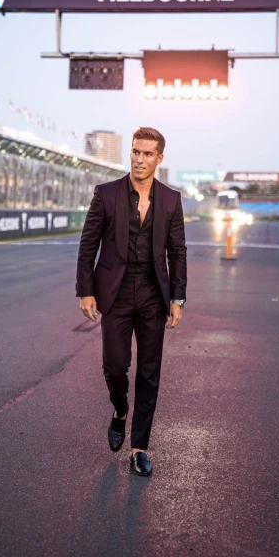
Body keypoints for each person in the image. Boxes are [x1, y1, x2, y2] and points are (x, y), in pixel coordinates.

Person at [75, 127, 187, 477]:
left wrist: (178, 298)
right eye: (136, 152)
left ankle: (139, 448)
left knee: (150, 372)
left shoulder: (171, 199)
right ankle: (120, 410)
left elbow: (178, 252)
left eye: (147, 154)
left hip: (154, 294)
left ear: (159, 158)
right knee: (114, 366)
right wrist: (86, 290)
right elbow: (88, 243)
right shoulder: (106, 193)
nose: (140, 159)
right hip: (116, 292)